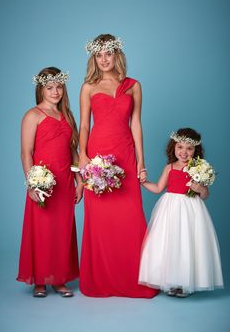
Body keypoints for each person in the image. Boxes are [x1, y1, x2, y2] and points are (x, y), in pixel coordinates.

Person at [78, 34, 158, 298]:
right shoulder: (88, 87)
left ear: (116, 55)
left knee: (130, 216)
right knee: (100, 219)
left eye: (108, 54)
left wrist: (141, 161)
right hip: (98, 155)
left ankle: (135, 279)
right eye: (98, 55)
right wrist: (83, 156)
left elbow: (136, 123)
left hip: (125, 154)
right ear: (94, 58)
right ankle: (101, 280)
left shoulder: (134, 86)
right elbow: (85, 125)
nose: (103, 59)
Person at [17, 67, 83, 297]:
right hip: (43, 183)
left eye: (59, 86)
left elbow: (73, 152)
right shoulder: (33, 115)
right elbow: (26, 153)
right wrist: (32, 184)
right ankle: (41, 280)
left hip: (65, 183)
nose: (55, 92)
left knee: (62, 231)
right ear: (41, 89)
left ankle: (59, 279)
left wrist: (80, 180)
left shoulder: (67, 116)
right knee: (42, 231)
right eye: (50, 87)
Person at [139, 128, 224, 297]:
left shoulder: (198, 168)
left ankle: (185, 283)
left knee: (187, 242)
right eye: (180, 147)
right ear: (174, 148)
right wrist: (143, 182)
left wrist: (200, 188)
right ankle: (171, 281)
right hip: (170, 209)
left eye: (189, 148)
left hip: (191, 209)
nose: (184, 152)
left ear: (195, 150)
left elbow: (206, 195)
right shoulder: (169, 168)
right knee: (170, 243)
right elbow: (158, 188)